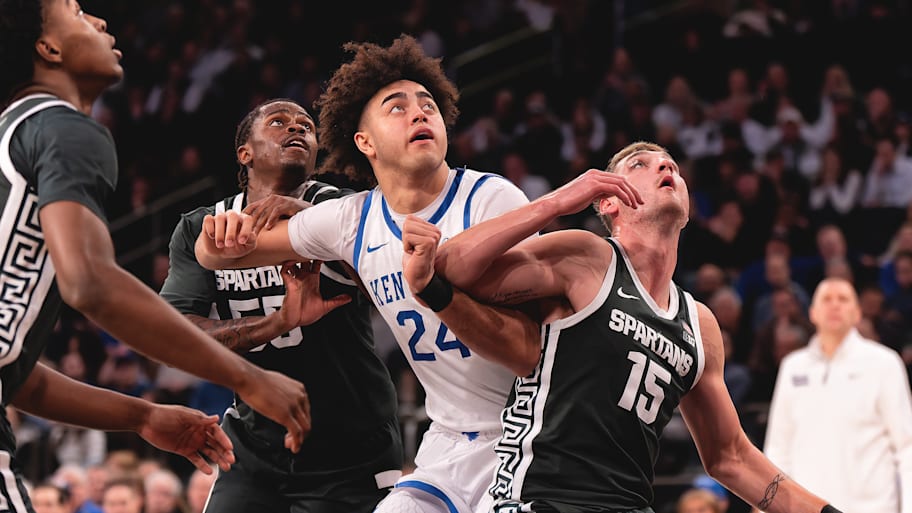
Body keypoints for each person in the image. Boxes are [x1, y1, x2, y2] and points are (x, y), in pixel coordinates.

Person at [398, 141, 841, 513]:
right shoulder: (586, 258)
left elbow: (731, 457)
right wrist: (560, 201)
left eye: (670, 163)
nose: (664, 166)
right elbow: (447, 269)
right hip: (542, 500)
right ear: (608, 200)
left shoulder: (698, 324)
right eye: (640, 164)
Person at [194, 34, 532, 513]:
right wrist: (218, 235)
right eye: (397, 107)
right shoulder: (352, 219)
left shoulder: (493, 201)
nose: (420, 113)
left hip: (530, 430)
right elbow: (216, 256)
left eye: (428, 105)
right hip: (449, 441)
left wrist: (438, 291)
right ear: (364, 142)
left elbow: (536, 351)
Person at [0, 1, 314, 509]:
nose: (100, 21)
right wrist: (247, 376)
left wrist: (143, 416)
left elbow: (19, 380)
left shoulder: (10, 139)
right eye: (78, 13)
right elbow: (91, 283)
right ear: (48, 48)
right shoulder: (63, 127)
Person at [159, 98, 403, 513]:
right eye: (279, 122)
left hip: (350, 446)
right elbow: (173, 335)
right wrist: (279, 322)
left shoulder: (345, 208)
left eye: (306, 126)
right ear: (245, 153)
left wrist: (314, 223)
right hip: (255, 445)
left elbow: (394, 280)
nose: (297, 129)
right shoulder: (203, 227)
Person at [764, 277, 912, 513]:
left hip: (872, 507)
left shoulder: (884, 363)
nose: (834, 305)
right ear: (813, 313)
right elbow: (778, 448)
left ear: (857, 313)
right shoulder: (793, 367)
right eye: (826, 299)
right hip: (806, 509)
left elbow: (907, 447)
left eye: (843, 299)